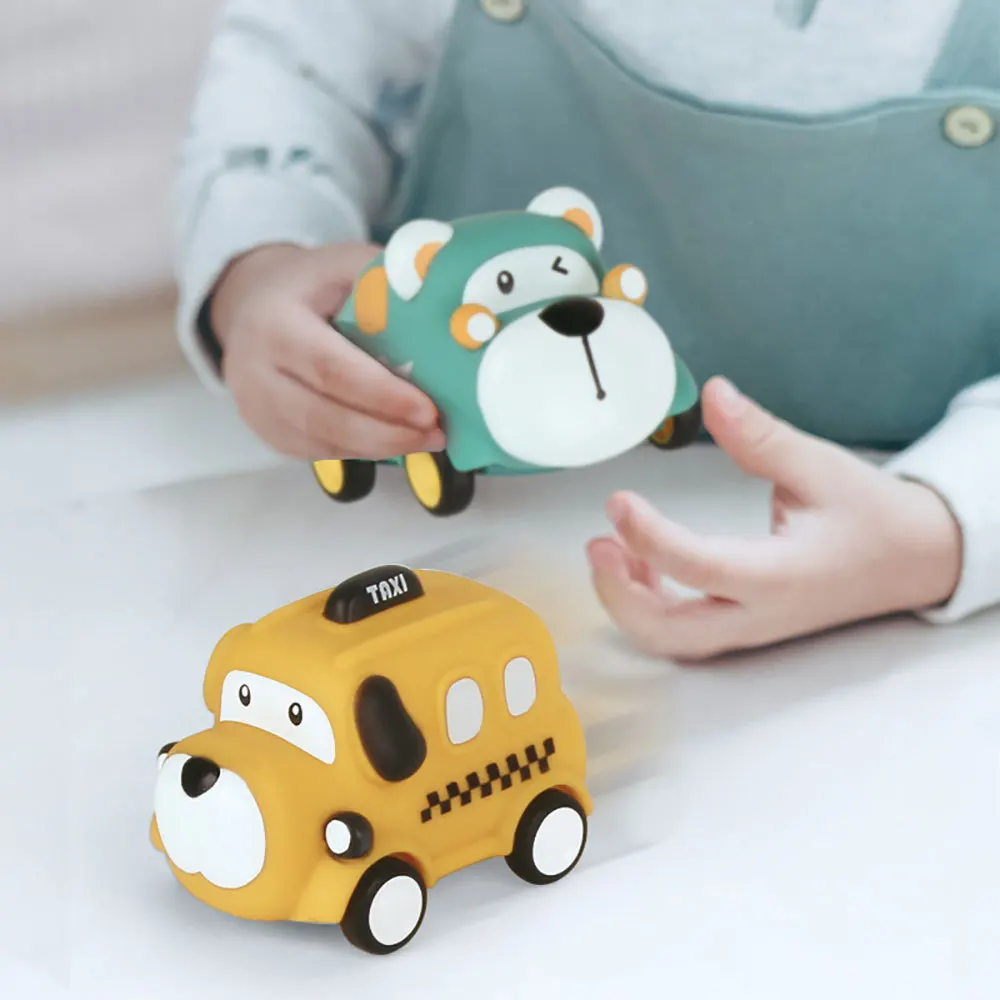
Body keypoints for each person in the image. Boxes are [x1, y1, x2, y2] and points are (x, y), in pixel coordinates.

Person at [173, 0, 1000, 659]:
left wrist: (944, 527)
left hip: (920, 614)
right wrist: (258, 267)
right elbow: (298, 69)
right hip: (447, 541)